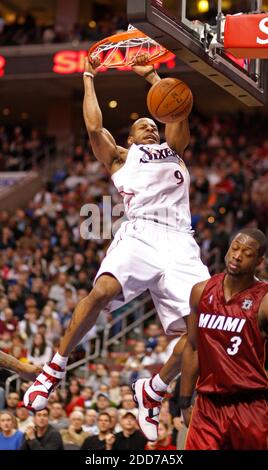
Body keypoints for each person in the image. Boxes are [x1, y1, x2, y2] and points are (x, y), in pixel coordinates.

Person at [23, 53, 209, 442]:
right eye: (143, 126)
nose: (150, 129)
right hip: (140, 232)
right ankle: (54, 369)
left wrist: (154, 77)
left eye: (152, 125)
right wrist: (89, 76)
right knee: (104, 290)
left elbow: (174, 112)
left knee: (201, 329)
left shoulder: (174, 149)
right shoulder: (122, 157)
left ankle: (154, 390)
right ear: (129, 138)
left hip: (180, 241)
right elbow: (94, 127)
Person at [180, 228, 268, 450]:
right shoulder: (200, 291)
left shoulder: (264, 301)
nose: (237, 256)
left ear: (259, 261)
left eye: (247, 253)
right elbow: (192, 348)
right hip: (207, 405)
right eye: (235, 248)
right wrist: (184, 401)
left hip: (250, 405)